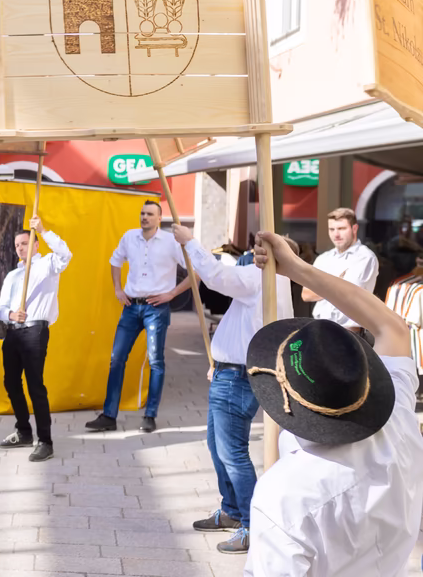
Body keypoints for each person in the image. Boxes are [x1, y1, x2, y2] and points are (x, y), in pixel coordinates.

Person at [244, 231, 423, 576]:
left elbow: (392, 328)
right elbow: (393, 328)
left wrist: (297, 269)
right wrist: (298, 268)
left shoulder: (283, 498)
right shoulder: (399, 420)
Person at [170, 225, 296, 554]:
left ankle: (252, 524)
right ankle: (232, 510)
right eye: (256, 246)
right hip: (231, 371)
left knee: (232, 452)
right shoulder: (274, 282)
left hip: (237, 376)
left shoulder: (264, 278)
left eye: (261, 248)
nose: (254, 253)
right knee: (217, 445)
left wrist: (190, 242)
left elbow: (215, 276)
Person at [86, 201, 191, 434]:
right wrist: (117, 289)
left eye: (150, 214)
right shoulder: (129, 237)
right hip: (131, 307)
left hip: (156, 308)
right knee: (116, 358)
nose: (144, 217)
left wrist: (172, 293)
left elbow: (195, 271)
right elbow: (115, 261)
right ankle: (109, 416)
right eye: (143, 213)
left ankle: (150, 415)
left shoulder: (170, 242)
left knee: (155, 361)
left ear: (159, 218)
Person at [0, 216, 71, 462]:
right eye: (17, 245)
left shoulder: (47, 264)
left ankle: (45, 441)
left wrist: (44, 230)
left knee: (35, 385)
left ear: (35, 245)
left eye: (25, 243)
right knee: (11, 383)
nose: (20, 248)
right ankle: (23, 431)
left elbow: (66, 254)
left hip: (35, 330)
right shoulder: (13, 276)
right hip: (13, 331)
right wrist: (10, 314)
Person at [305, 207, 379, 343]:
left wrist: (321, 285)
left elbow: (347, 293)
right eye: (332, 229)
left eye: (341, 228)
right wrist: (337, 281)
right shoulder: (323, 258)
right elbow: (306, 294)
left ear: (354, 228)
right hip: (320, 330)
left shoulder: (364, 257)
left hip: (350, 333)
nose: (336, 234)